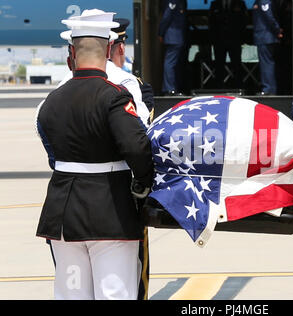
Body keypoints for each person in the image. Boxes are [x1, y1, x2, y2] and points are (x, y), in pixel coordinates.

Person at [35, 9, 154, 300]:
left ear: (71, 54)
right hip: (110, 212)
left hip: (63, 214)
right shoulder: (114, 96)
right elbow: (137, 146)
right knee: (114, 294)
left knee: (71, 295)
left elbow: (51, 149)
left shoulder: (51, 101)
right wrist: (142, 184)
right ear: (109, 51)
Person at [209, 0, 248, 88]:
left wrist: (240, 36)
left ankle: (238, 86)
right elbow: (211, 22)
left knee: (236, 63)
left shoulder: (240, 3)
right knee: (219, 63)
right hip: (219, 40)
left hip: (234, 39)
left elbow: (244, 20)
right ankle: (219, 86)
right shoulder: (215, 4)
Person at [252, 0, 283, 95]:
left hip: (265, 36)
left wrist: (277, 30)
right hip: (266, 36)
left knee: (266, 63)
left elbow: (268, 15)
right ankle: (269, 87)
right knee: (267, 63)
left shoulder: (264, 1)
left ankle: (268, 89)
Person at [158, 0, 188, 95]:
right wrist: (161, 33)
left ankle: (169, 88)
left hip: (175, 37)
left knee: (171, 63)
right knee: (170, 63)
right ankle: (169, 89)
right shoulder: (173, 1)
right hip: (173, 37)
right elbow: (166, 17)